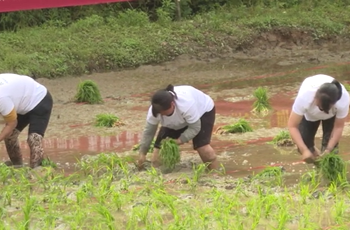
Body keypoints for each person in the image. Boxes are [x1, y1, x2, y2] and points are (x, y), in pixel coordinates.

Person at [137, 84, 219, 170]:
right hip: (176, 119)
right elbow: (149, 132)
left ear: (172, 104)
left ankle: (215, 173)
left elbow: (195, 128)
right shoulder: (155, 111)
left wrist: (180, 140)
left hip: (202, 112)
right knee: (157, 157)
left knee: (202, 147)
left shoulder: (186, 105)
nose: (162, 116)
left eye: (164, 113)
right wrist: (142, 153)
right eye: (160, 114)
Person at [287, 74, 349, 163]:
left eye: (324, 109)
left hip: (331, 116)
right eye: (319, 106)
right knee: (305, 146)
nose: (321, 110)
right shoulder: (305, 97)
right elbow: (292, 126)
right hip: (310, 114)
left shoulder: (343, 101)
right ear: (315, 96)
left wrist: (328, 150)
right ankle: (319, 165)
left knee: (331, 154)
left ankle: (328, 170)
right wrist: (304, 150)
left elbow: (338, 127)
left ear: (334, 104)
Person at [0, 73, 53, 168]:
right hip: (22, 101)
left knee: (34, 138)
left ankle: (37, 169)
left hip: (39, 99)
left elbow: (12, 124)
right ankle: (17, 166)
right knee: (9, 137)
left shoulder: (2, 98)